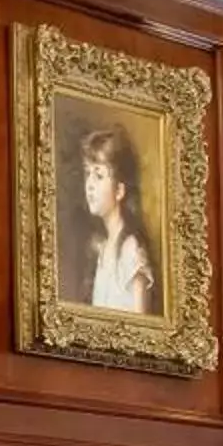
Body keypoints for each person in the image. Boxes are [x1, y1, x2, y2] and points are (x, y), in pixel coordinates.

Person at [75, 124, 158, 315]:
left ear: (119, 190)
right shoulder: (103, 249)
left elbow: (141, 323)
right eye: (88, 174)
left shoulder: (130, 249)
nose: (89, 185)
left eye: (99, 175)